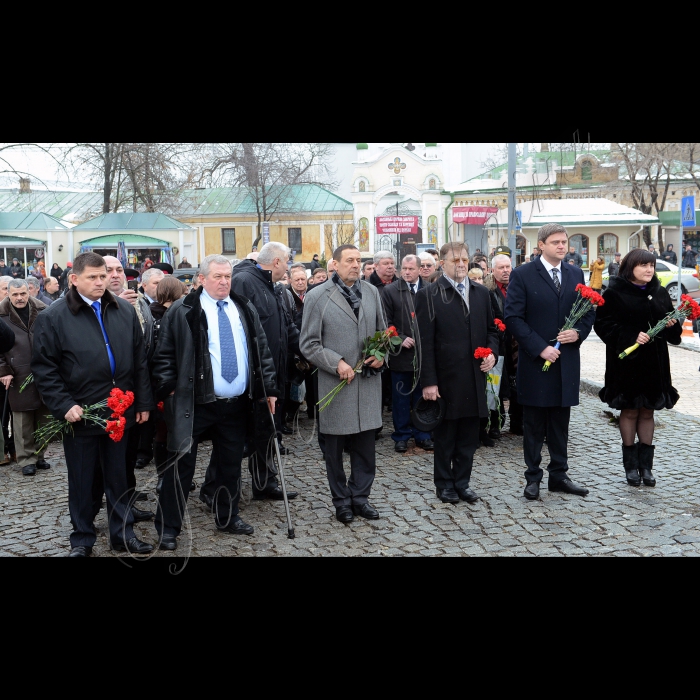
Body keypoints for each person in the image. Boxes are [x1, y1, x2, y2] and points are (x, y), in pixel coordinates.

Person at [150, 254, 280, 549]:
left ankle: (227, 516)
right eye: (218, 277)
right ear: (201, 279)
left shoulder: (242, 307)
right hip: (194, 404)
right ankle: (169, 527)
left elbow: (262, 350)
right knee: (180, 468)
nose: (224, 282)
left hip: (235, 403)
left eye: (227, 276)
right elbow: (163, 356)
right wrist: (170, 390)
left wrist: (268, 387)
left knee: (229, 465)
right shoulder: (184, 310)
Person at [31, 252, 154, 557]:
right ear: (74, 279)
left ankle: (122, 535)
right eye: (93, 277)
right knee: (84, 480)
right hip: (81, 413)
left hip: (120, 410)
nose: (101, 282)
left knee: (119, 477)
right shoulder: (53, 317)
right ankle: (82, 539)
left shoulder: (123, 310)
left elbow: (139, 360)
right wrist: (63, 404)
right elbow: (44, 368)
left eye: (104, 276)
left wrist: (143, 401)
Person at [504, 223, 595, 501]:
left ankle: (559, 475)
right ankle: (533, 478)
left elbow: (587, 312)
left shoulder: (575, 273)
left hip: (565, 361)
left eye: (564, 241)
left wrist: (577, 332)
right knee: (533, 424)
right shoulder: (522, 275)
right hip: (537, 362)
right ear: (541, 245)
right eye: (555, 242)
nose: (561, 246)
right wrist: (540, 348)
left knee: (560, 422)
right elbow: (513, 318)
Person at [300, 244, 386, 523]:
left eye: (359, 260)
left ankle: (360, 498)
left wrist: (380, 354)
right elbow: (309, 343)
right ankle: (341, 501)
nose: (356, 265)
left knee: (365, 448)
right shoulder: (317, 296)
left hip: (367, 384)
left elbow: (384, 334)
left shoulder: (372, 292)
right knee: (334, 451)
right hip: (335, 385)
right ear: (334, 264)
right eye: (350, 260)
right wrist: (335, 362)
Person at [416, 242, 499, 505]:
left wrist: (492, 353)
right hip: (445, 379)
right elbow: (424, 343)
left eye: (464, 259)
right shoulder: (429, 295)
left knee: (468, 438)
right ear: (442, 264)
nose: (462, 264)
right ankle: (445, 485)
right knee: (445, 437)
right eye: (455, 260)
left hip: (474, 378)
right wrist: (429, 381)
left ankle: (462, 483)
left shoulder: (481, 293)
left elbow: (492, 330)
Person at [594, 248, 681, 488]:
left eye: (651, 265)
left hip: (654, 364)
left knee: (648, 412)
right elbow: (603, 325)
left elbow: (673, 332)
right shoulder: (614, 293)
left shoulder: (659, 292)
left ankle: (647, 468)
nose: (649, 270)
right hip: (626, 365)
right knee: (630, 410)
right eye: (643, 265)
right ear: (630, 267)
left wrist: (672, 324)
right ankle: (630, 466)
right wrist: (631, 336)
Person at [225, 241, 300, 500]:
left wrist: (307, 348)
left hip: (275, 372)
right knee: (246, 435)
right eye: (288, 261)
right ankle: (217, 489)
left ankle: (264, 482)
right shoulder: (245, 281)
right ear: (277, 261)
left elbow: (285, 326)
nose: (289, 267)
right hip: (253, 375)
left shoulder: (274, 286)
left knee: (269, 430)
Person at [381, 254, 433, 453]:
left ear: (420, 270)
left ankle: (423, 434)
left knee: (423, 397)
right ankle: (401, 435)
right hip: (401, 356)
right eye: (404, 268)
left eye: (411, 269)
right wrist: (400, 337)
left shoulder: (429, 289)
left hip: (424, 356)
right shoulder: (391, 290)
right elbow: (385, 320)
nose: (407, 272)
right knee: (401, 398)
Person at [0, 280, 49, 476]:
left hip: (44, 371)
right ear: (8, 295)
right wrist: (3, 370)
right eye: (15, 295)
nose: (19, 298)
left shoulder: (44, 310)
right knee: (22, 420)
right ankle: (26, 459)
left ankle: (39, 455)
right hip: (17, 371)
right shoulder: (1, 314)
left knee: (44, 417)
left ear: (29, 292)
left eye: (23, 294)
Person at [485, 253, 522, 437]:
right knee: (496, 385)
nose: (506, 270)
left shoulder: (518, 286)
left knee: (517, 384)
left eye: (508, 267)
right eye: (501, 267)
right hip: (498, 344)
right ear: (493, 270)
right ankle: (495, 423)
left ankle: (517, 422)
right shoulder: (487, 290)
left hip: (516, 345)